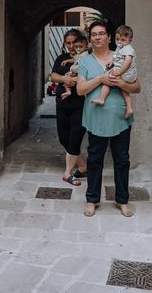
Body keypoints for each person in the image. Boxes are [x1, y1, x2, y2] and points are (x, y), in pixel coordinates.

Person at [77, 20, 141, 218]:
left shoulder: (121, 56)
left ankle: (122, 200)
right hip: (96, 119)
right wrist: (100, 79)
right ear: (90, 38)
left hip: (121, 118)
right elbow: (80, 90)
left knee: (122, 160)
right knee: (95, 159)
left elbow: (136, 87)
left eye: (101, 33)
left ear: (109, 37)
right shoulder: (85, 61)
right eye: (94, 34)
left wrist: (121, 82)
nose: (97, 37)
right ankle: (92, 199)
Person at [49, 29, 89, 186]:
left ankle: (68, 173)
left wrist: (76, 80)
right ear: (65, 44)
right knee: (64, 138)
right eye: (68, 43)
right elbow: (52, 76)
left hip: (80, 105)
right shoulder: (62, 58)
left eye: (74, 42)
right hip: (62, 104)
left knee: (75, 137)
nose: (71, 46)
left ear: (80, 43)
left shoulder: (86, 58)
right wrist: (64, 78)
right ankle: (83, 166)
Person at [90, 25, 137, 119]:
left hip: (126, 73)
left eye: (123, 40)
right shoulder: (120, 48)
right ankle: (129, 109)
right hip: (126, 73)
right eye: (117, 39)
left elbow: (127, 61)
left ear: (130, 41)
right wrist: (112, 62)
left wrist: (119, 72)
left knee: (106, 79)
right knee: (124, 91)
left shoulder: (128, 48)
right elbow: (117, 57)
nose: (119, 42)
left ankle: (101, 98)